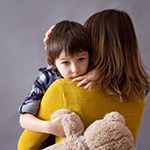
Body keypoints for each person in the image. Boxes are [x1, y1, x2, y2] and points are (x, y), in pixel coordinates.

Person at [18, 9, 150, 150]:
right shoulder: (137, 93)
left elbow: (25, 146)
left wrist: (58, 50)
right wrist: (60, 38)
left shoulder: (64, 89)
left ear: (93, 46)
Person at [18, 20, 91, 147]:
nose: (75, 69)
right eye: (66, 62)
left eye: (81, 59)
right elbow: (24, 119)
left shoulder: (91, 72)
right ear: (54, 63)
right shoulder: (47, 78)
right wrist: (50, 127)